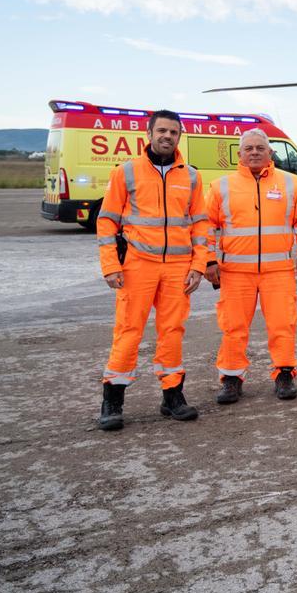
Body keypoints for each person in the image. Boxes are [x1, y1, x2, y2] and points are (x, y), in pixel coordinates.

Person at [96, 110, 209, 431]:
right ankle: (112, 400)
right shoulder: (127, 172)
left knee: (172, 331)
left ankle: (172, 395)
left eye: (173, 132)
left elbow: (201, 224)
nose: (167, 137)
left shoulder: (191, 176)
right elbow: (106, 221)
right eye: (162, 131)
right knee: (129, 331)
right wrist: (110, 264)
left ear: (179, 136)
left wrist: (199, 265)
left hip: (178, 268)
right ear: (149, 134)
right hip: (137, 267)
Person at [204, 129, 297, 404]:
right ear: (239, 155)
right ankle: (231, 379)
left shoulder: (290, 184)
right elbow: (204, 227)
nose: (254, 152)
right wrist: (207, 260)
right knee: (233, 327)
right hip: (235, 273)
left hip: (278, 271)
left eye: (260, 148)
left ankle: (284, 374)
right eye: (248, 148)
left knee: (282, 324)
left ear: (270, 153)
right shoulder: (221, 187)